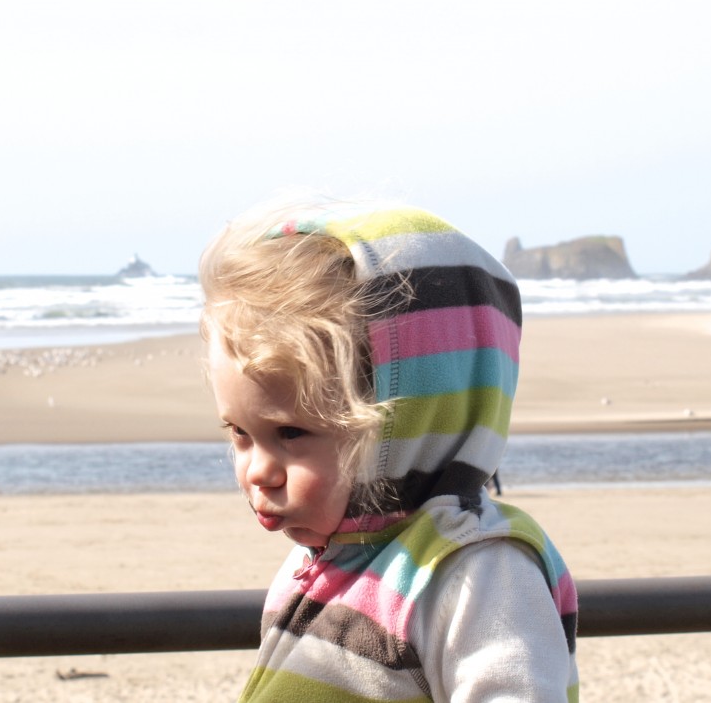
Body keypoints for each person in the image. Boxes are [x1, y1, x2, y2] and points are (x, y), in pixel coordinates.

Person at [200, 199, 579, 702]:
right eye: (240, 434)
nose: (258, 471)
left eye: (290, 434)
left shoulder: (473, 573)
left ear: (403, 423)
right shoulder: (318, 560)